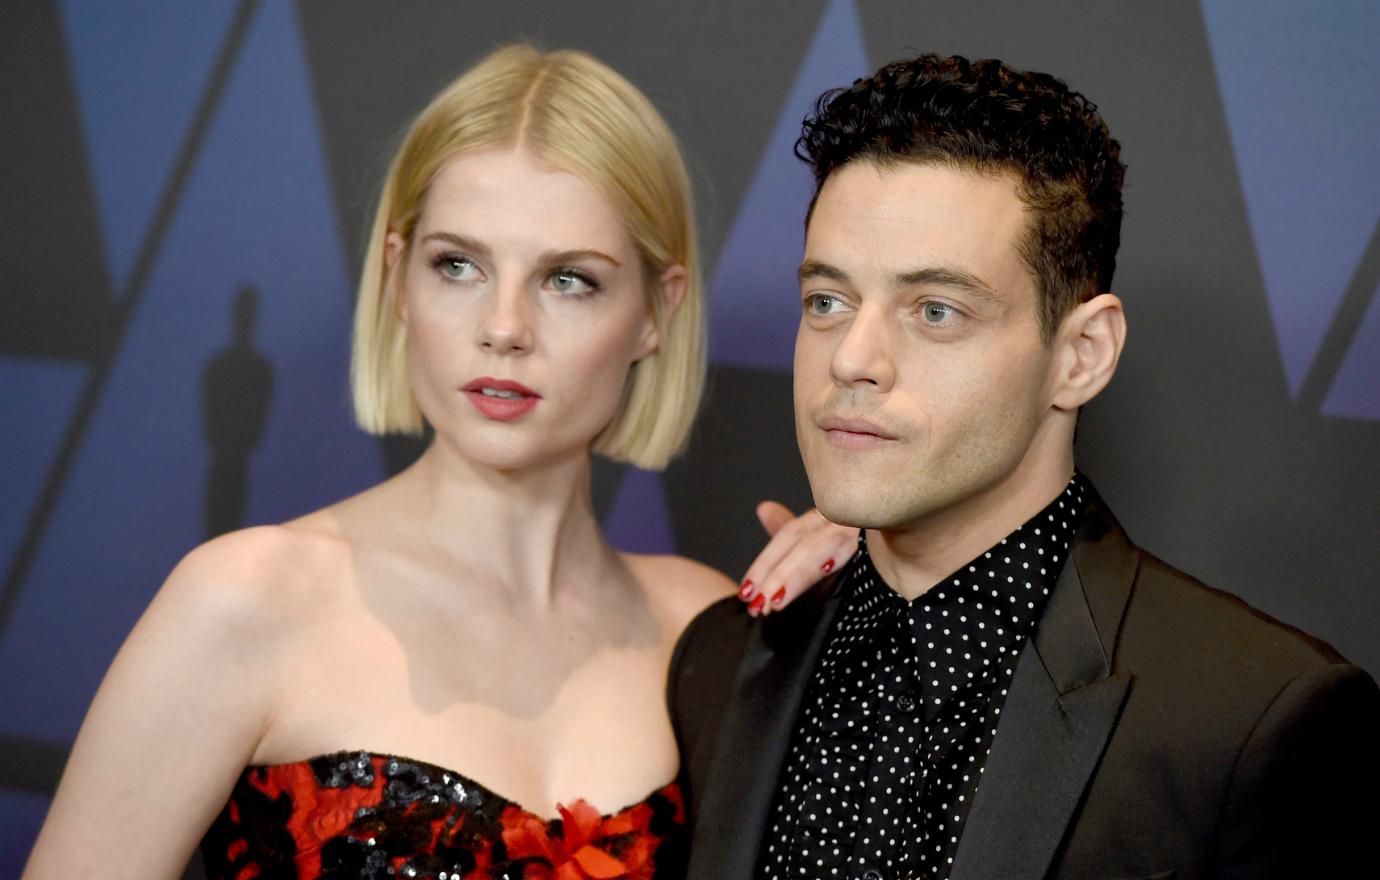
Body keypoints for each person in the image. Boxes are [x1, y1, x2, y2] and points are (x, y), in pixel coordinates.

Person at [24, 44, 848, 880]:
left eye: (568, 280)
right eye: (458, 265)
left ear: (654, 312)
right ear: (396, 279)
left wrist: (874, 607)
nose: (504, 326)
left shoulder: (707, 629)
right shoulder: (245, 603)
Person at [668, 53, 1380, 879]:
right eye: (827, 301)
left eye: (936, 311)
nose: (852, 359)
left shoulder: (1249, 719)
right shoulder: (720, 664)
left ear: (1082, 354)